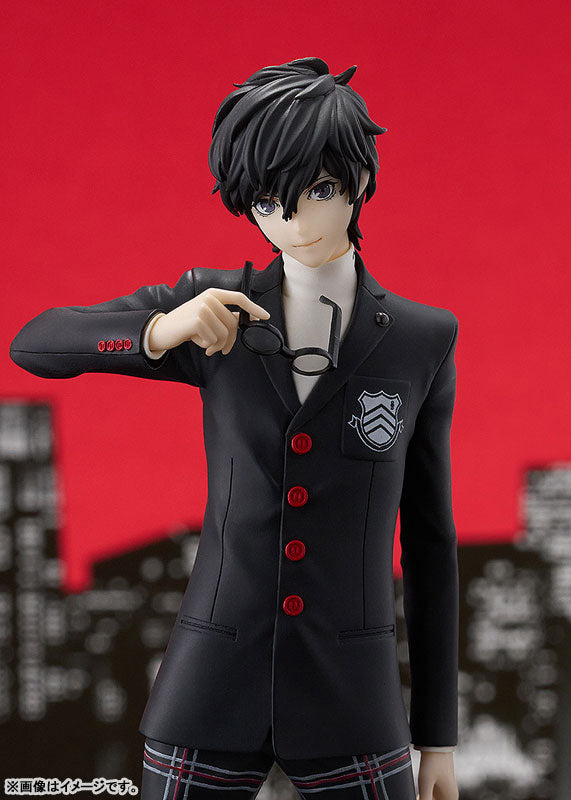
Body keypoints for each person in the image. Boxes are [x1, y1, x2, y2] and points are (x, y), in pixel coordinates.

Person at [10, 58, 460, 800]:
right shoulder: (211, 304)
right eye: (267, 202)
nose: (294, 222)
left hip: (353, 697)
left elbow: (431, 542)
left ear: (358, 180)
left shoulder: (421, 339)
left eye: (319, 191)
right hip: (210, 685)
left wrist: (437, 736)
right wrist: (161, 329)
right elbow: (35, 342)